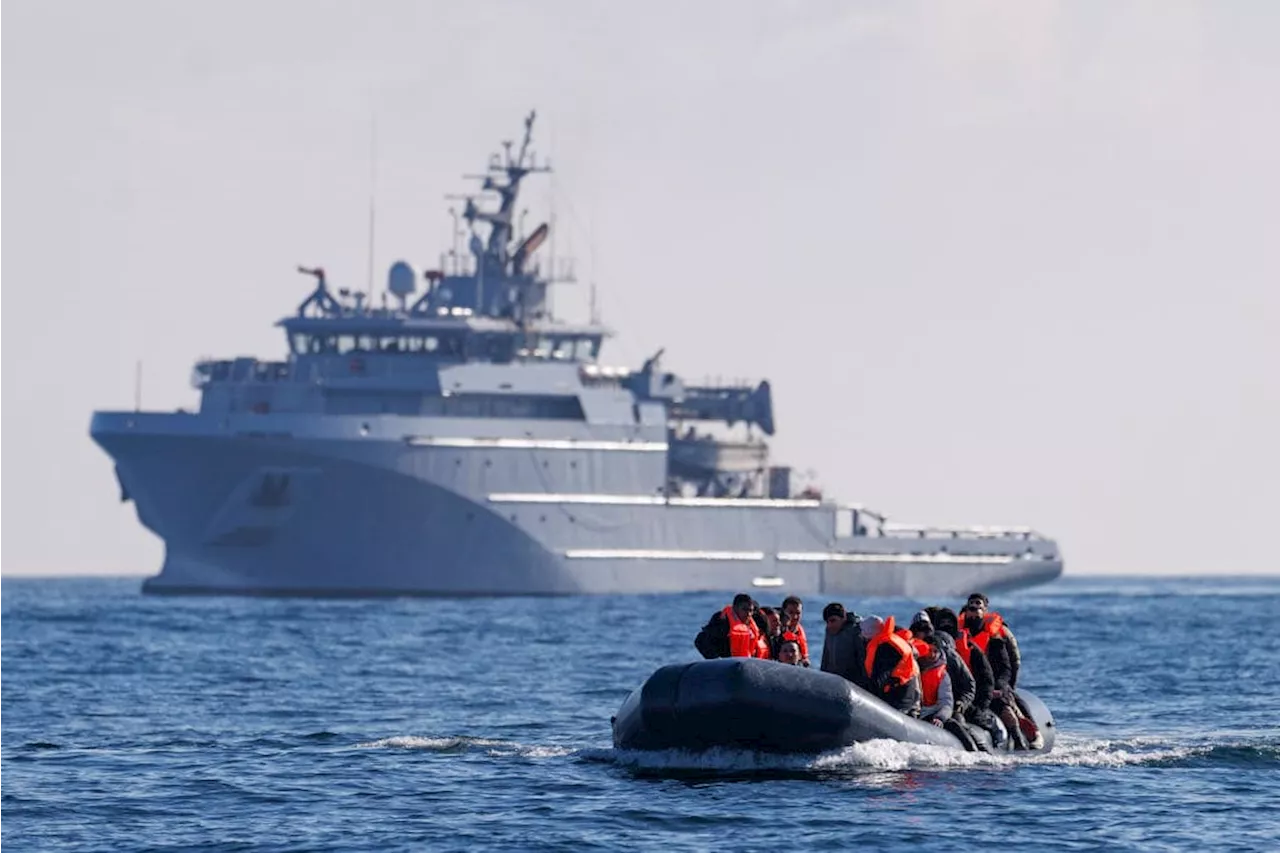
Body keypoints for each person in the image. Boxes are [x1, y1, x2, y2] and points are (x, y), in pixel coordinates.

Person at [860, 614, 921, 716]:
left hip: (901, 697)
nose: (860, 634)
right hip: (900, 692)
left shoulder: (887, 648)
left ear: (869, 632)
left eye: (862, 631)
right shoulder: (885, 643)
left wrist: (865, 692)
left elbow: (880, 679)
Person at [694, 593, 760, 659]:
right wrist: (716, 659)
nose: (748, 614)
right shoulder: (723, 622)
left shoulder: (752, 627)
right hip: (724, 664)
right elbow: (700, 640)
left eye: (750, 610)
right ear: (735, 608)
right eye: (744, 609)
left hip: (743, 663)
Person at [819, 602, 866, 687]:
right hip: (832, 683)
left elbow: (863, 662)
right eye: (827, 622)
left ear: (843, 618)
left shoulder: (856, 631)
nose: (829, 625)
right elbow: (825, 657)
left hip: (852, 686)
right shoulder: (829, 631)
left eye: (833, 620)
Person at [779, 596, 811, 667]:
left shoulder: (800, 632)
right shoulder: (777, 631)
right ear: (784, 612)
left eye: (798, 613)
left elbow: (805, 659)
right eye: (791, 612)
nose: (795, 617)